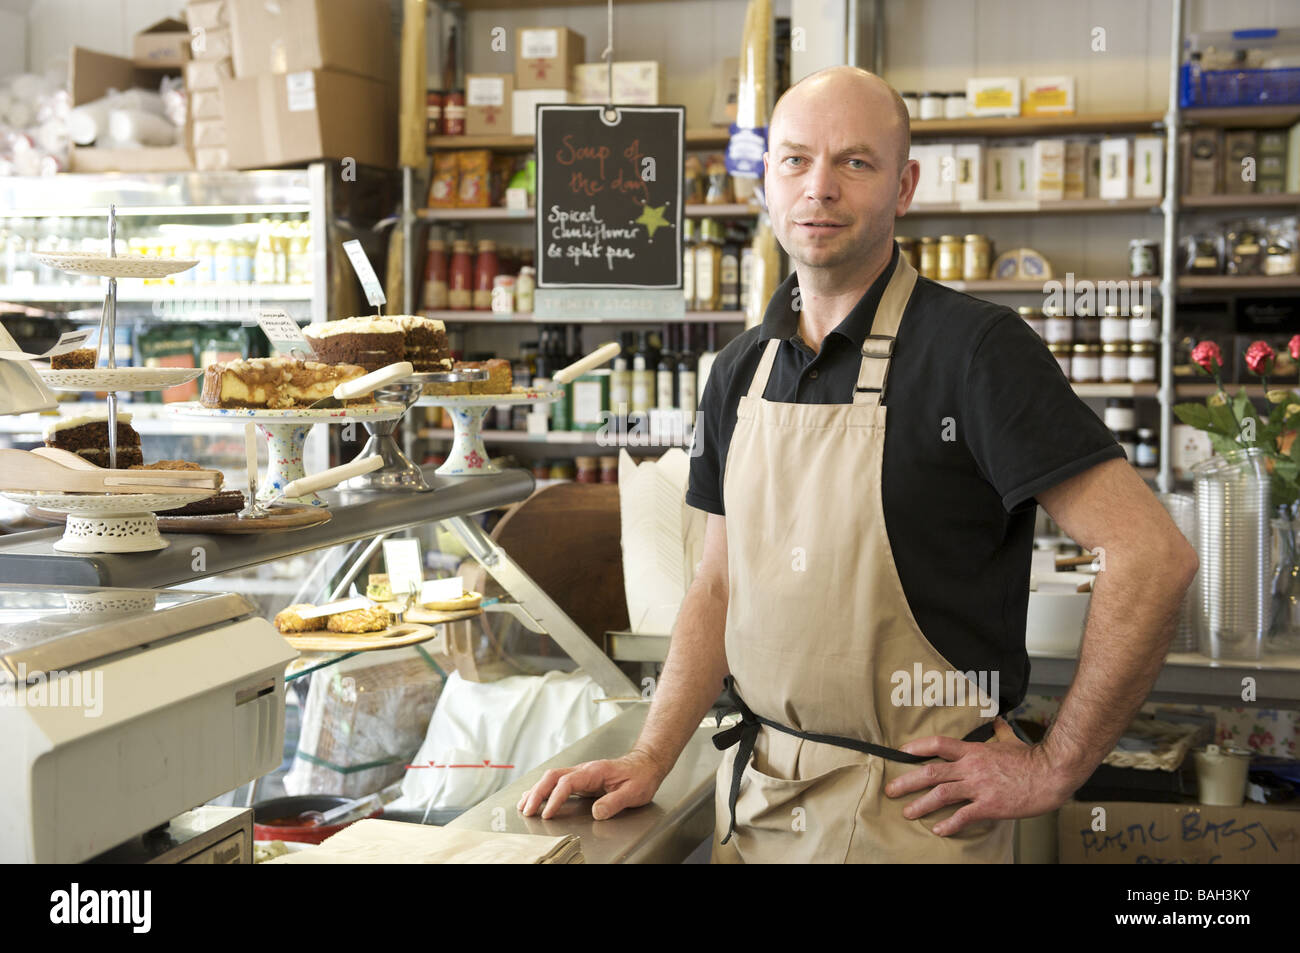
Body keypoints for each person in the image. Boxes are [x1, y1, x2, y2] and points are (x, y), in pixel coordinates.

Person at [517, 66, 1198, 863]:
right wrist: (652, 754)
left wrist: (1054, 766)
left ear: (904, 186)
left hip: (914, 816)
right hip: (759, 798)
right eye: (796, 160)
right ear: (766, 182)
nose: (820, 188)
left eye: (855, 163)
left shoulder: (977, 352)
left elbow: (1153, 555)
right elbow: (717, 586)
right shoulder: (739, 369)